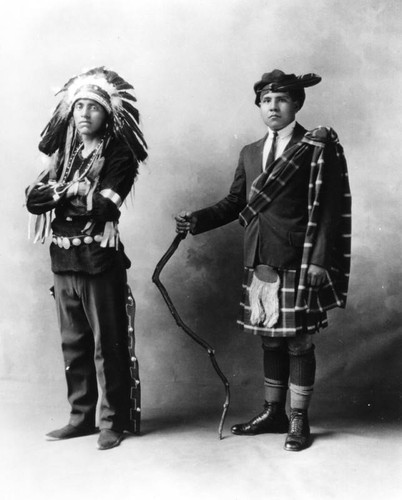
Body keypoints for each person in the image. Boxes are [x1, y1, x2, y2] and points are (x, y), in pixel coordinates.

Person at [175, 69, 351, 451]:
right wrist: (197, 220)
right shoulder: (250, 152)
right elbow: (237, 203)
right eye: (266, 100)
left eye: (282, 99)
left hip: (300, 258)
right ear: (259, 106)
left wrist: (320, 260)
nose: (273, 106)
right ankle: (274, 412)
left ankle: (299, 418)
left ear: (297, 104)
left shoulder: (315, 146)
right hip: (258, 259)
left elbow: (330, 209)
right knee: (271, 341)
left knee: (299, 342)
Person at [26, 67, 147, 450]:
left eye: (92, 107)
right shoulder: (63, 155)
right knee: (73, 343)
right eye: (78, 106)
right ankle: (81, 418)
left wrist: (62, 194)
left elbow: (105, 206)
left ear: (107, 114)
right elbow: (33, 199)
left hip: (99, 260)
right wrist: (70, 191)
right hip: (64, 261)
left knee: (106, 344)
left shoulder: (120, 154)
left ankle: (113, 420)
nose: (83, 113)